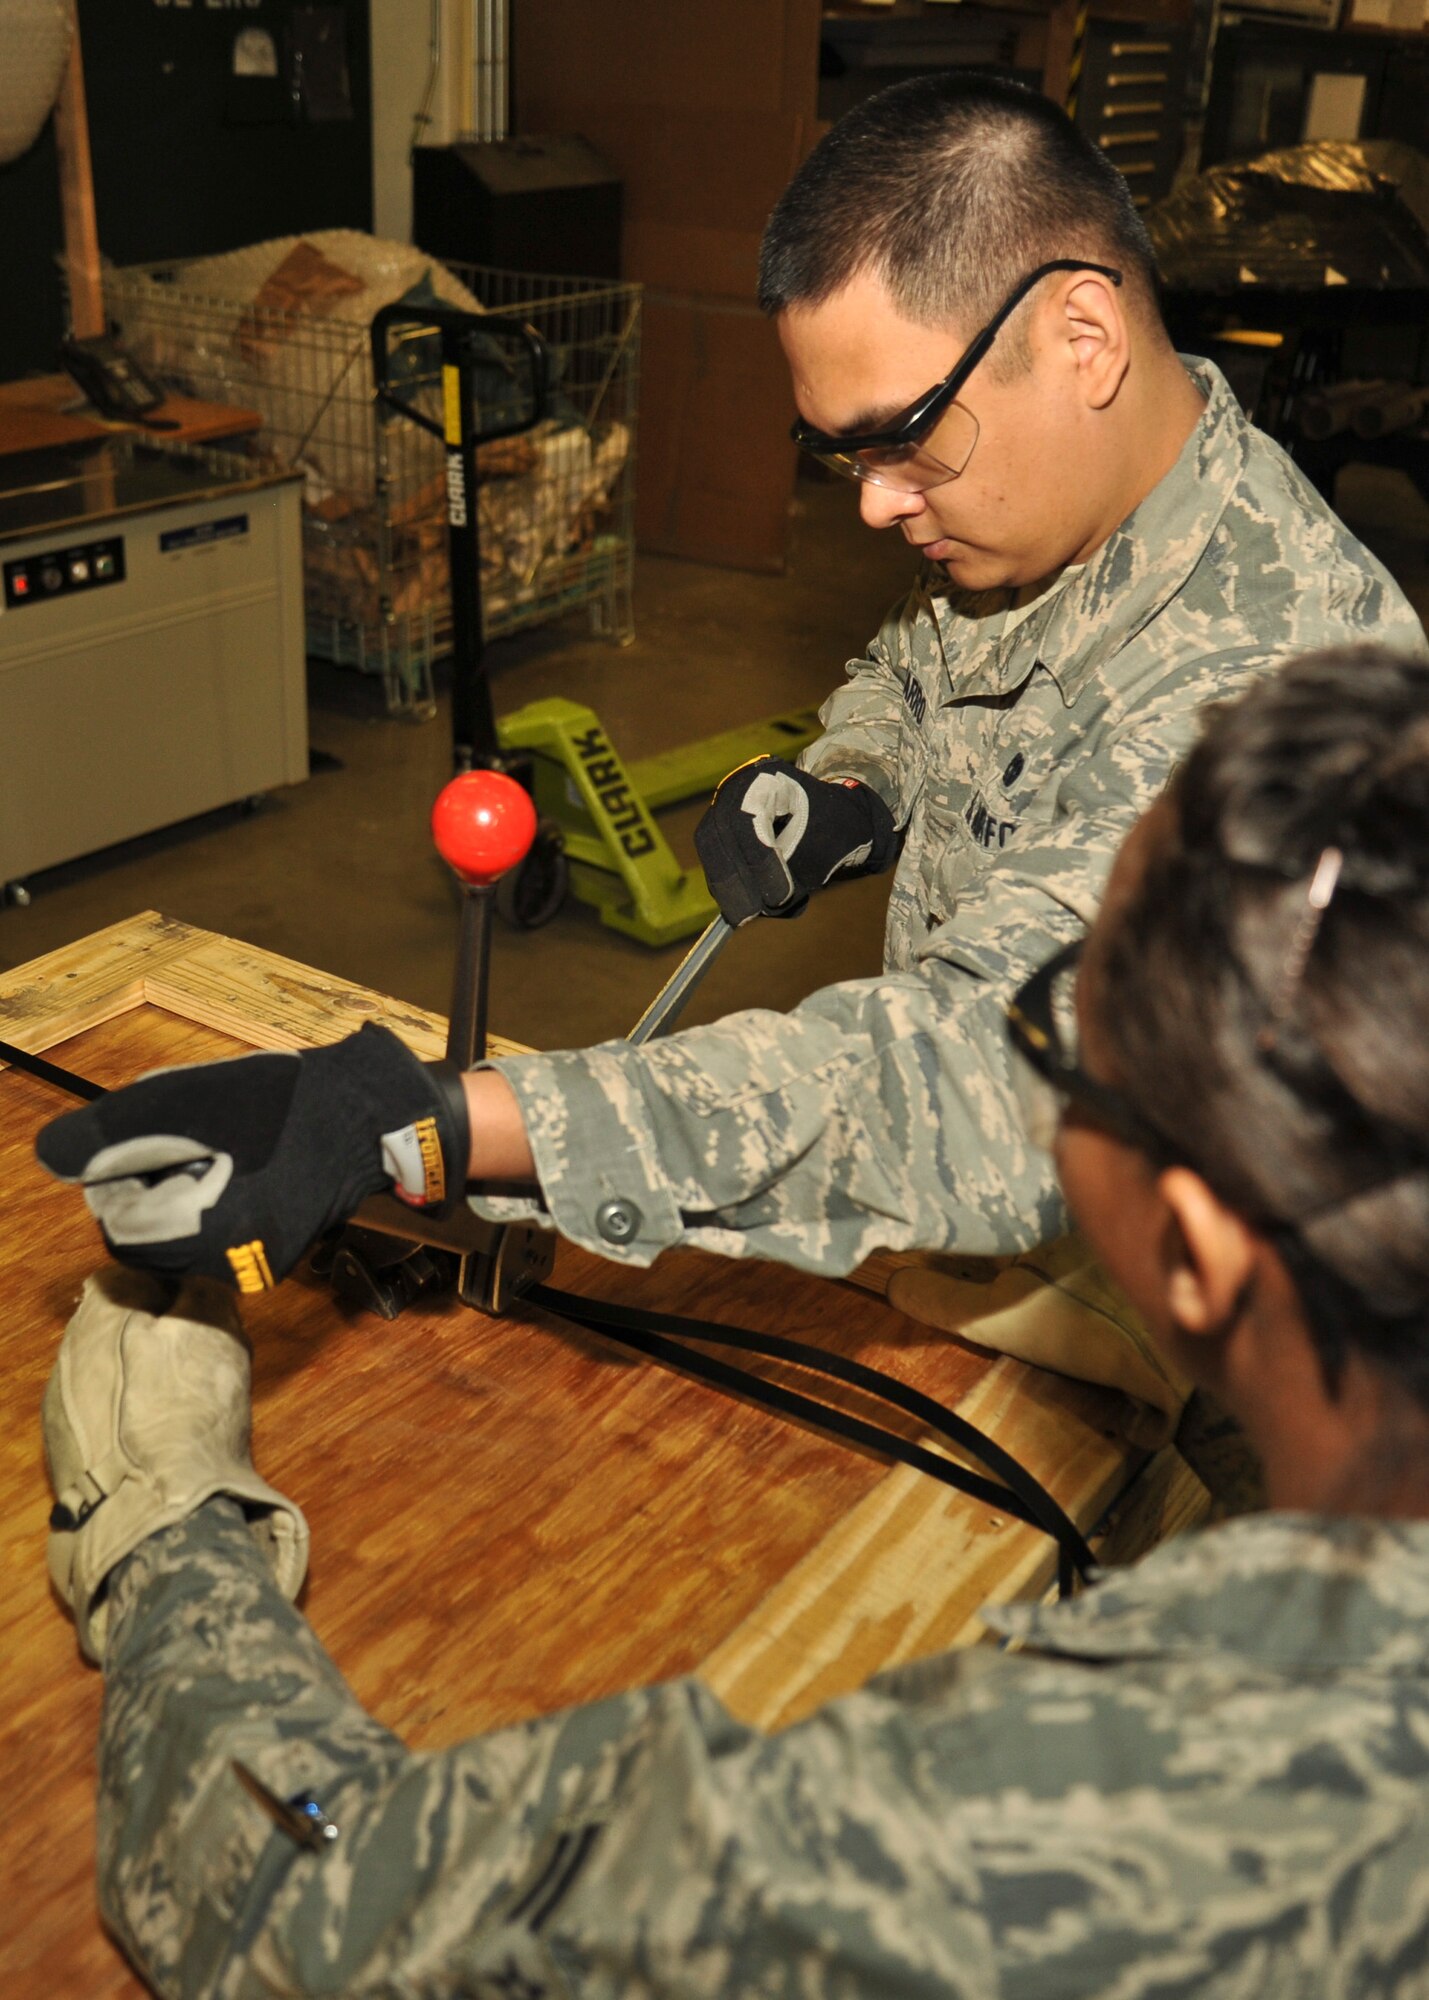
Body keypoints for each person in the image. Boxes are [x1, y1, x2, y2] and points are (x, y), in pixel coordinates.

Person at [44, 644, 1429, 1996]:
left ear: (1189, 1249)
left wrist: (168, 1530)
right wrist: (426, 1125)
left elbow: (308, 1908)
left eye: (1057, 1037)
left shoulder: (1114, 1812)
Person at [34, 73, 1426, 1293]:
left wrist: (449, 1123)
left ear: (1080, 337)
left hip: (1188, 1363)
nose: (877, 510)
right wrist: (854, 782)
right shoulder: (1042, 502)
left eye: (900, 439)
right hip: (973, 1258)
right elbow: (926, 658)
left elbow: (988, 1092)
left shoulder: (1291, 702)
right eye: (840, 454)